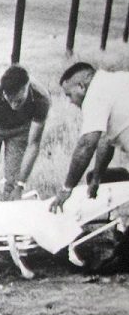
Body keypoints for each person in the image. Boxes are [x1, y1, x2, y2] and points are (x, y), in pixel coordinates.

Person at [49, 62, 129, 212]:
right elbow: (105, 141)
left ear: (81, 87)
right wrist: (97, 178)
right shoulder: (109, 83)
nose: (71, 102)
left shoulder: (95, 94)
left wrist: (67, 188)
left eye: (69, 95)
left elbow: (87, 144)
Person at [0, 64, 50, 202]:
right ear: (3, 93)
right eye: (9, 100)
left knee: (13, 185)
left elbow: (33, 144)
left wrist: (20, 186)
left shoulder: (41, 98)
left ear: (27, 86)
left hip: (20, 130)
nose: (14, 105)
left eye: (19, 101)